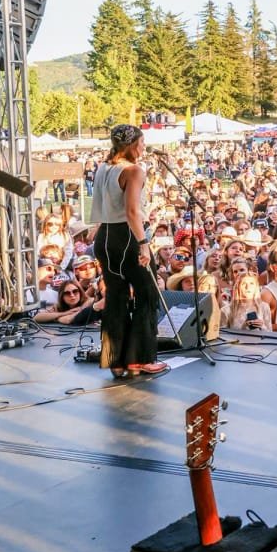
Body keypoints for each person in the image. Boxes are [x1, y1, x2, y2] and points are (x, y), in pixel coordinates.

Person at [90, 125, 165, 378]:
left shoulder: (103, 167)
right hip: (127, 238)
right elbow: (132, 212)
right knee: (147, 293)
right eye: (142, 143)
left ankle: (117, 361)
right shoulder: (133, 171)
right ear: (133, 145)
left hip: (105, 238)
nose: (144, 148)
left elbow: (103, 207)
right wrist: (143, 243)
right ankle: (140, 359)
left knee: (115, 296)